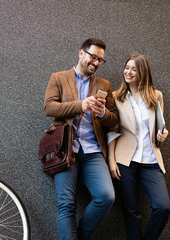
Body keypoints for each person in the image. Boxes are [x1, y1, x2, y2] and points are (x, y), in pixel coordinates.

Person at [44, 38, 118, 240]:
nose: (96, 63)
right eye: (93, 57)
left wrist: (103, 113)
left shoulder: (104, 84)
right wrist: (80, 105)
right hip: (65, 150)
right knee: (66, 204)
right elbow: (49, 107)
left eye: (100, 60)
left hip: (93, 151)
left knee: (106, 196)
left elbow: (114, 121)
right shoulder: (58, 78)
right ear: (81, 53)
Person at [107, 54, 170, 240]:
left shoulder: (155, 96)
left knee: (162, 207)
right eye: (127, 68)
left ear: (143, 72)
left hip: (151, 160)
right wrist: (111, 161)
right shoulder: (115, 97)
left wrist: (163, 134)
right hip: (125, 160)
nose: (128, 72)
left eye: (134, 69)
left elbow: (160, 127)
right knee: (131, 212)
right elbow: (111, 131)